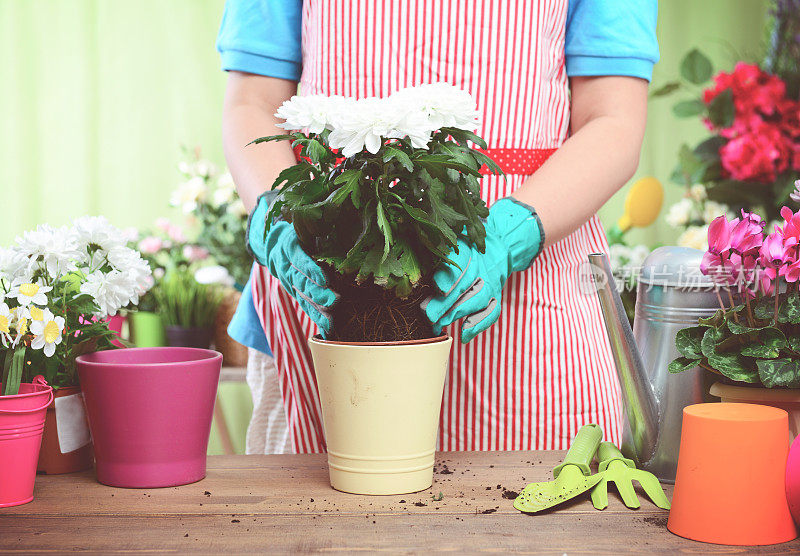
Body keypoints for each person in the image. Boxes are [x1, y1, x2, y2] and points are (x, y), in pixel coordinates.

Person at [218, 0, 658, 453]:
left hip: (534, 291)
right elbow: (253, 99)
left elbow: (613, 119)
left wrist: (510, 235)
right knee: (313, 513)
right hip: (322, 269)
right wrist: (276, 218)